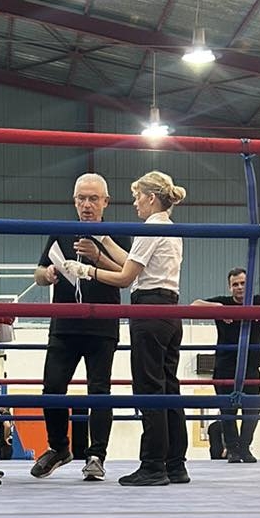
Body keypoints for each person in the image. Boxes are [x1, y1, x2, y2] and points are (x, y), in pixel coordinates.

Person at [69, 171, 188, 487]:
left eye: (137, 197)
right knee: (169, 388)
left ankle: (153, 465)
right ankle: (176, 464)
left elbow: (125, 278)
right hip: (170, 310)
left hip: (149, 312)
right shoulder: (169, 227)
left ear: (151, 197)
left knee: (150, 389)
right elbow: (132, 264)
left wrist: (87, 270)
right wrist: (106, 239)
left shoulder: (150, 228)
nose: (135, 203)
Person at [31, 173, 130, 483]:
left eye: (93, 198)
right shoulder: (60, 232)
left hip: (102, 325)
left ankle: (96, 456)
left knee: (99, 391)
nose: (87, 205)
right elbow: (38, 272)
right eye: (82, 198)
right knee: (52, 386)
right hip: (64, 324)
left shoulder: (118, 235)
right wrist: (47, 274)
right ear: (74, 201)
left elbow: (128, 275)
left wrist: (97, 257)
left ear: (105, 202)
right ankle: (59, 448)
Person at [192, 268, 260, 463]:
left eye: (243, 283)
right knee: (227, 410)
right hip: (224, 366)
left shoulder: (258, 301)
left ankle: (245, 448)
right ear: (229, 287)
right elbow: (194, 304)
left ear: (250, 285)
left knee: (252, 410)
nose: (239, 287)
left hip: (251, 366)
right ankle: (233, 450)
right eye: (235, 284)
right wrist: (219, 309)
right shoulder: (224, 302)